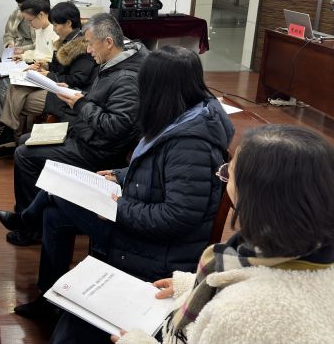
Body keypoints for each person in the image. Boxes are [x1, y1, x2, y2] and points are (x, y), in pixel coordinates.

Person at [0, 46, 234, 336]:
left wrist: (118, 208)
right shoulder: (179, 118)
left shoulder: (190, 144)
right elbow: (155, 171)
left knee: (60, 191)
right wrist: (119, 175)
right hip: (135, 214)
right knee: (54, 214)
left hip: (155, 247)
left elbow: (176, 217)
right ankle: (49, 296)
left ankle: (27, 224)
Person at [111, 124, 334, 344]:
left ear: (253, 198)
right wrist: (196, 286)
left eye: (229, 173)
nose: (223, 178)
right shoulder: (308, 252)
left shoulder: (239, 313)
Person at [4, 13, 146, 245]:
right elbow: (102, 100)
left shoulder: (127, 78)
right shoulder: (116, 63)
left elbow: (115, 126)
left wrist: (80, 104)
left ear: (108, 42)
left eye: (90, 44)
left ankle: (30, 228)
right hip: (86, 134)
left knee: (24, 155)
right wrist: (74, 92)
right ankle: (31, 215)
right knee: (25, 141)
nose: (88, 50)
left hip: (97, 150)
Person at [0, 1, 96, 157]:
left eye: (56, 25)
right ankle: (9, 134)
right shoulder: (65, 41)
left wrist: (48, 75)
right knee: (15, 87)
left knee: (16, 100)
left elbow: (77, 79)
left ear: (68, 23)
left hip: (66, 95)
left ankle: (10, 135)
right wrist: (44, 66)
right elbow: (58, 68)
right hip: (55, 86)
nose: (54, 29)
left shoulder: (82, 46)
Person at [0, 0, 59, 132]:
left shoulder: (54, 32)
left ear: (41, 15)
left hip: (43, 72)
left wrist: (37, 62)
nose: (29, 24)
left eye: (30, 20)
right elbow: (38, 51)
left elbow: (53, 60)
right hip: (34, 66)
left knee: (3, 85)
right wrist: (23, 56)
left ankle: (11, 128)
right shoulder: (40, 29)